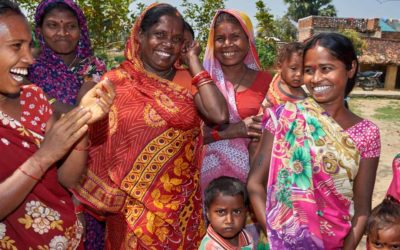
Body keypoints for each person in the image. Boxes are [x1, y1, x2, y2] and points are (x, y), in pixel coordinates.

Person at [71, 3, 228, 249]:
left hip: (182, 211)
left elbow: (219, 114)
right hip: (129, 214)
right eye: (160, 35)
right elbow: (94, 146)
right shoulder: (115, 82)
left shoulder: (188, 79)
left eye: (176, 39)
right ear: (140, 36)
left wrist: (194, 62)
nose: (168, 44)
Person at [248, 32, 381, 249]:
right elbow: (255, 184)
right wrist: (278, 237)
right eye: (309, 70)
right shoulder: (283, 118)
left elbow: (363, 210)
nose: (316, 79)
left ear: (351, 68)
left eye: (326, 68)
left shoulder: (366, 133)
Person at [0, 1, 115, 248]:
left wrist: (82, 121)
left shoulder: (33, 97)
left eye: (29, 46)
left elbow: (66, 179)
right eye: (16, 46)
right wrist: (45, 155)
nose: (29, 58)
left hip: (64, 236)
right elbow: (47, 156)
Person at [200, 9, 272, 192]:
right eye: (220, 38)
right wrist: (235, 130)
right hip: (207, 186)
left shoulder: (267, 82)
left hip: (256, 182)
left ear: (249, 40)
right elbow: (187, 136)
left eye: (235, 37)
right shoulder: (202, 83)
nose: (228, 44)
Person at [28, 0, 106, 117]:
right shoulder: (26, 63)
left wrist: (31, 90)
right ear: (40, 30)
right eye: (53, 25)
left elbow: (81, 117)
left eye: (71, 26)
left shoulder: (93, 67)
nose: (62, 33)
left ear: (81, 30)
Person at [199, 176, 253, 249]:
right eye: (221, 212)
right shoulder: (211, 247)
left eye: (236, 212)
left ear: (246, 213)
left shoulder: (246, 236)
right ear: (208, 213)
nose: (229, 220)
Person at [260, 42, 306, 112]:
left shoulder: (301, 99)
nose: (299, 74)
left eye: (304, 70)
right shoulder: (276, 79)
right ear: (280, 67)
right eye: (293, 68)